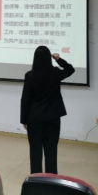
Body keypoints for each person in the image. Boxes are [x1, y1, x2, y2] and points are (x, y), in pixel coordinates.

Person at [20, 46, 74, 175]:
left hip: (34, 118)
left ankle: (36, 178)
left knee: (35, 150)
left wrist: (23, 119)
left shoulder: (30, 75)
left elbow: (25, 98)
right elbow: (70, 69)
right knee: (51, 149)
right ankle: (51, 179)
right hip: (53, 117)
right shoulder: (55, 73)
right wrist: (58, 59)